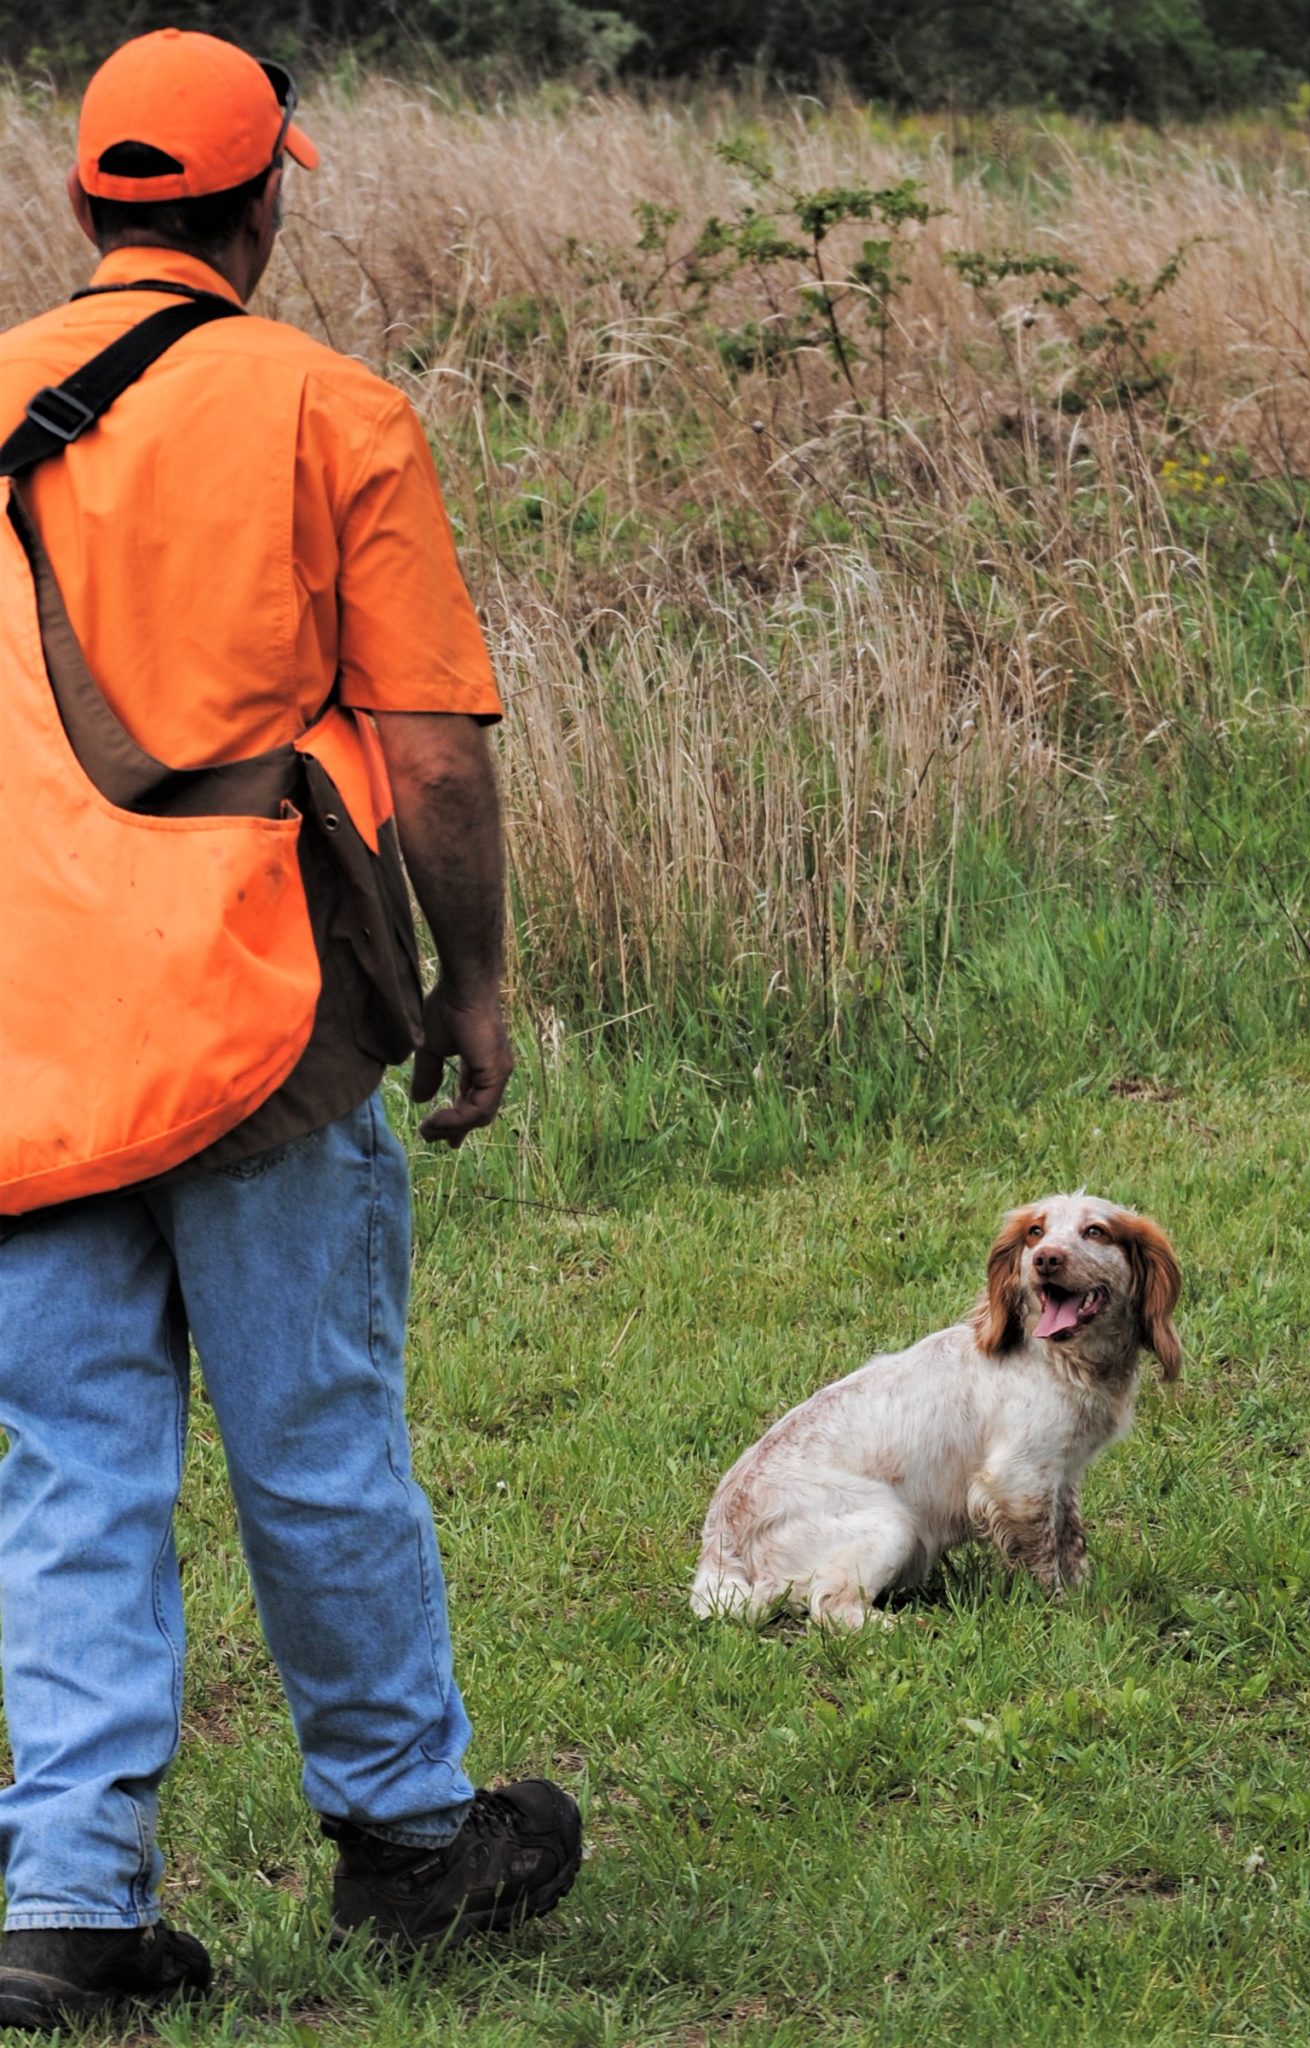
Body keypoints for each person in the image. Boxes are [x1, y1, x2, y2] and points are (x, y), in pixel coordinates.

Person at [0, 30, 580, 2032]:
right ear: (263, 205)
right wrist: (475, 978)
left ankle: (65, 1903)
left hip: (22, 1048)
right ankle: (409, 1840)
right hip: (256, 1022)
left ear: (89, 202)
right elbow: (427, 757)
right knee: (315, 1439)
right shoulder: (335, 407)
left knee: (68, 1466)